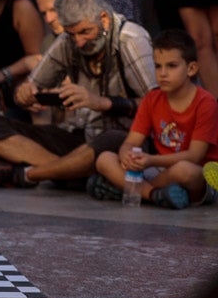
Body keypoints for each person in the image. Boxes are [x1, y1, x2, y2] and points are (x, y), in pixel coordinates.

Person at [0, 0, 155, 188]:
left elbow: (157, 105)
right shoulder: (69, 40)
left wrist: (102, 103)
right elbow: (33, 84)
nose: (79, 42)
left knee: (109, 140)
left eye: (85, 32)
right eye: (72, 34)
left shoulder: (130, 40)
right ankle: (70, 173)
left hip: (123, 143)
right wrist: (25, 94)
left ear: (104, 19)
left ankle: (33, 174)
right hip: (80, 140)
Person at [88, 29, 218, 208]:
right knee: (104, 158)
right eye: (158, 66)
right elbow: (131, 141)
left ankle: (124, 190)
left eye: (171, 66)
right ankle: (152, 194)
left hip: (195, 174)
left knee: (184, 170)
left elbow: (194, 156)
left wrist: (150, 160)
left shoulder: (205, 102)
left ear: (191, 68)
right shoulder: (151, 98)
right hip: (159, 170)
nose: (162, 73)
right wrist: (127, 156)